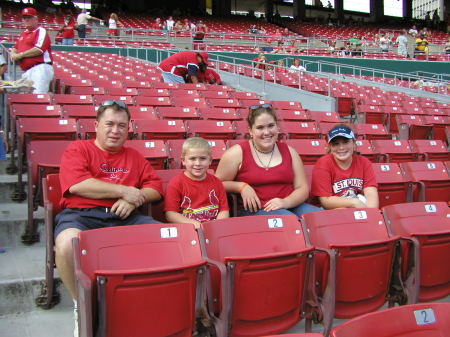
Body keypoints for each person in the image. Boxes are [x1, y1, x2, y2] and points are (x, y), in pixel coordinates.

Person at [54, 100, 163, 336]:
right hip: (81, 216)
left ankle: (152, 303)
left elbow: (155, 187)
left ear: (129, 129)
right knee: (66, 244)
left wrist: (135, 198)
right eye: (110, 124)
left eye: (121, 126)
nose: (115, 131)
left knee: (166, 238)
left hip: (125, 217)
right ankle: (80, 305)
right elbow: (78, 185)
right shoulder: (79, 149)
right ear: (96, 125)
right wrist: (124, 191)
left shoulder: (134, 156)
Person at [215, 104, 320, 218]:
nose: (267, 132)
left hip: (289, 205)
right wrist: (241, 187)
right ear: (250, 131)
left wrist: (285, 202)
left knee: (320, 217)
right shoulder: (236, 153)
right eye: (260, 127)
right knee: (290, 220)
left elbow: (302, 188)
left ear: (277, 127)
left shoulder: (290, 152)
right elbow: (216, 184)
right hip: (254, 210)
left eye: (271, 126)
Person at [165, 137, 229, 228]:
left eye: (202, 158)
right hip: (189, 229)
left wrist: (217, 226)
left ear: (210, 160)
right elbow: (170, 214)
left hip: (213, 229)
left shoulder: (217, 182)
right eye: (192, 159)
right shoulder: (176, 183)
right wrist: (196, 225)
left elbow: (224, 210)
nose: (198, 163)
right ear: (183, 160)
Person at [311, 124, 379, 209]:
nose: (341, 147)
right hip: (331, 210)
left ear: (354, 143)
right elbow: (325, 201)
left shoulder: (364, 162)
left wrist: (370, 214)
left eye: (345, 142)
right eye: (336, 144)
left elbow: (371, 193)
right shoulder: (323, 164)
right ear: (330, 147)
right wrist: (354, 202)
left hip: (359, 208)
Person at [10, 7, 54, 94]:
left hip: (40, 68)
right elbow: (15, 47)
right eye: (24, 18)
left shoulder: (40, 31)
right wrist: (13, 54)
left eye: (29, 17)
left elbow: (39, 49)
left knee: (37, 97)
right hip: (27, 71)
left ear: (36, 19)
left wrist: (20, 55)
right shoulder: (23, 33)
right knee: (27, 99)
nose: (26, 20)